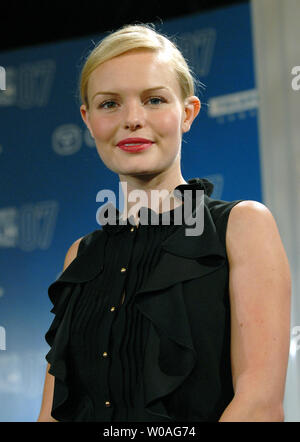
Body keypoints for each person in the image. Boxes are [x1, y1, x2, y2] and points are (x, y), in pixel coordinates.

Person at [37, 23, 291, 422]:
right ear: (88, 120)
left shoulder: (241, 227)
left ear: (187, 113)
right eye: (109, 104)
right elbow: (53, 414)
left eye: (154, 100)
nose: (132, 119)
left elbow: (259, 405)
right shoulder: (79, 257)